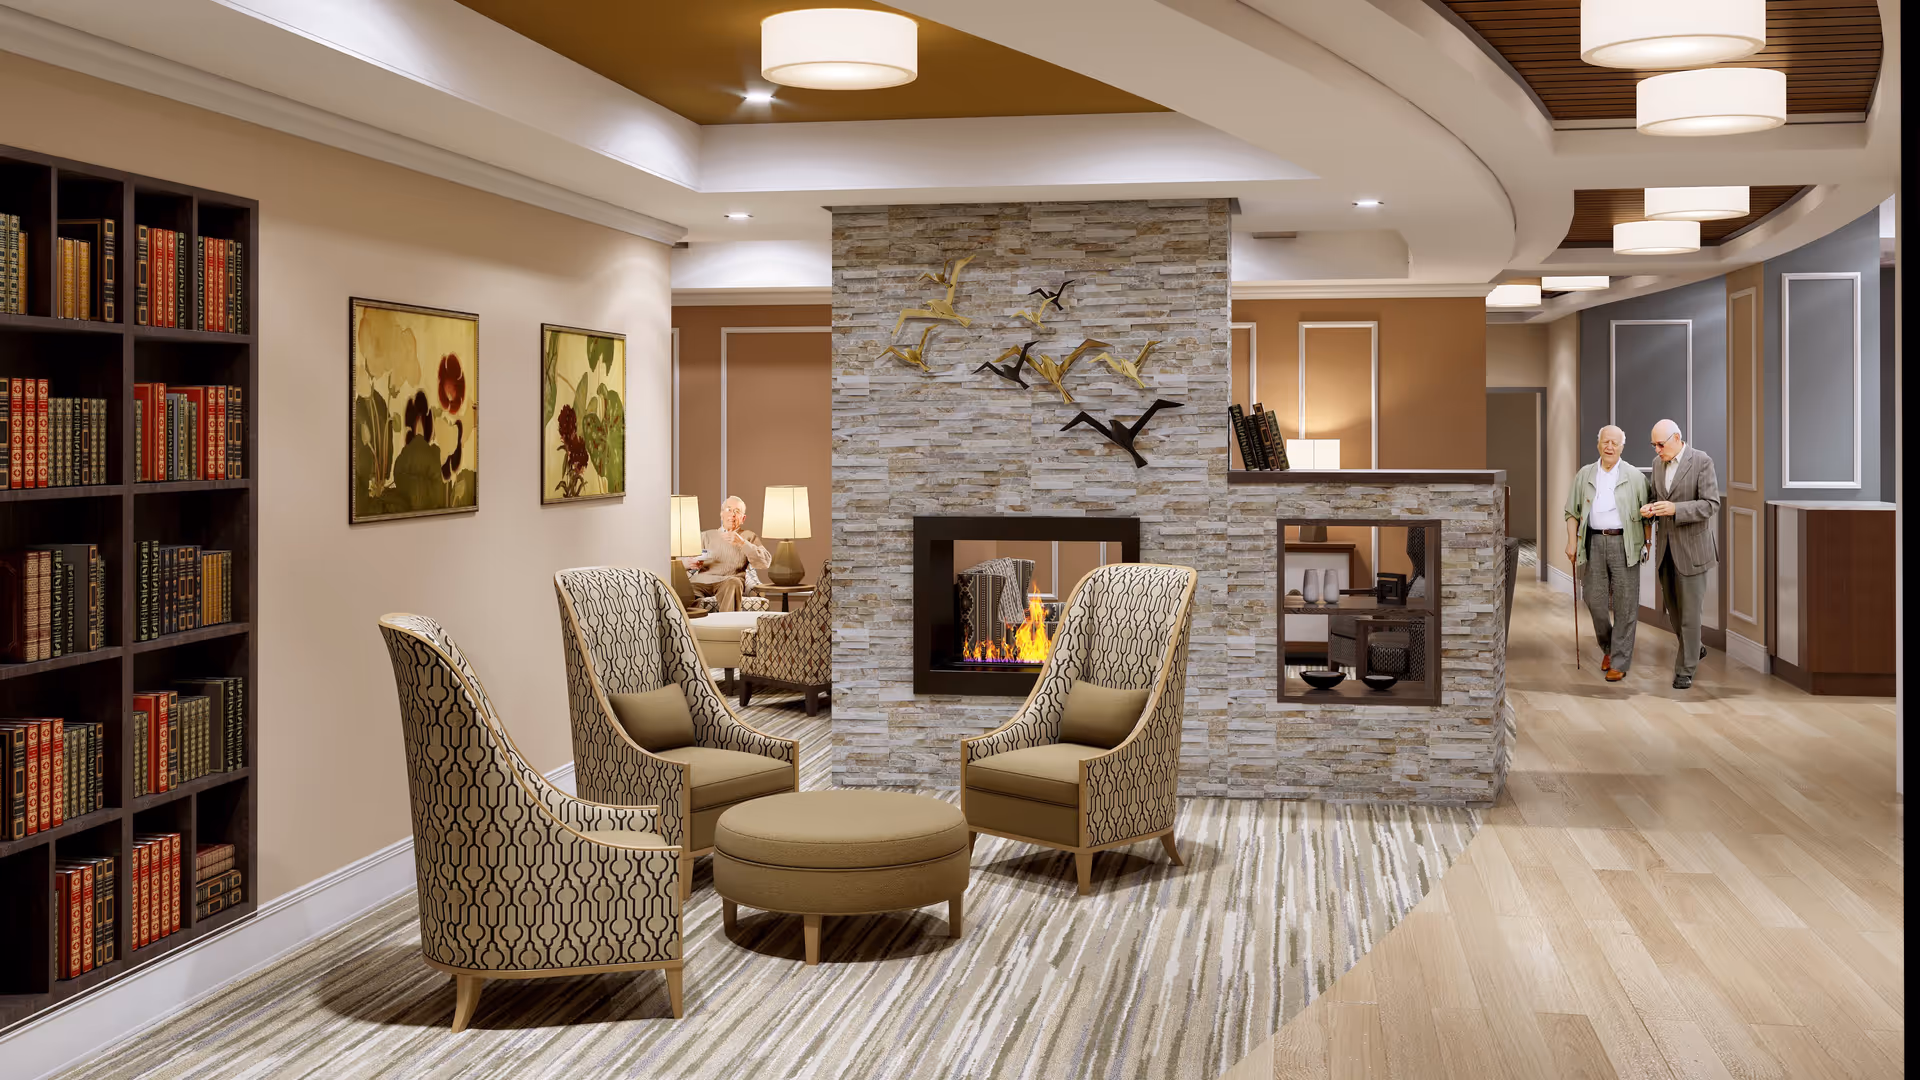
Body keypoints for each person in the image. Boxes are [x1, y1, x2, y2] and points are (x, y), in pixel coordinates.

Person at [1563, 425, 1651, 681]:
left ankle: (1619, 662)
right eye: (1605, 442)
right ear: (1598, 444)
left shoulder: (1635, 477)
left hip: (1625, 543)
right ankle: (1610, 648)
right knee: (1594, 599)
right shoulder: (1585, 474)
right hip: (1592, 542)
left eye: (1615, 442)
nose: (1609, 446)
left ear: (1622, 446)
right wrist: (1571, 542)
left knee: (1625, 605)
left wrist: (1647, 544)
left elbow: (1647, 515)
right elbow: (1572, 512)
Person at [1642, 420, 1720, 690]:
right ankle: (1694, 647)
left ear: (1677, 438)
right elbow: (1657, 497)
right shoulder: (1656, 465)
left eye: (1660, 444)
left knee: (1689, 615)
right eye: (1653, 445)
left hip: (1693, 550)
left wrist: (1676, 510)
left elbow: (1711, 504)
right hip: (1666, 550)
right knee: (1674, 613)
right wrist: (1650, 509)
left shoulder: (1701, 461)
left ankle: (1684, 670)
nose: (1657, 450)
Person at [684, 495, 771, 612]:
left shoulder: (748, 536)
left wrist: (742, 543)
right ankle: (697, 627)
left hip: (729, 581)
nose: (732, 514)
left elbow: (764, 562)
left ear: (743, 518)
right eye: (728, 510)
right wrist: (689, 563)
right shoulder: (706, 536)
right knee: (685, 591)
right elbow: (681, 560)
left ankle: (725, 627)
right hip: (702, 581)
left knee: (734, 583)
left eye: (737, 511)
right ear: (721, 514)